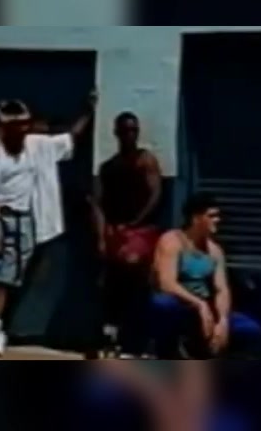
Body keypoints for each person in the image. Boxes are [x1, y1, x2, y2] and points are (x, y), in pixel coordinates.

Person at [0, 94, 94, 357]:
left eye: (24, 124)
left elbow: (70, 139)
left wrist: (88, 112)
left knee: (14, 280)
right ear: (5, 127)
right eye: (15, 125)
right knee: (1, 279)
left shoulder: (37, 146)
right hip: (1, 218)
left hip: (28, 221)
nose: (22, 130)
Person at [152, 193, 261, 359]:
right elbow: (166, 283)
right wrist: (199, 304)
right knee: (162, 304)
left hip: (206, 307)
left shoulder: (215, 251)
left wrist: (222, 320)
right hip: (181, 304)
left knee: (252, 330)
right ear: (196, 218)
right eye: (212, 216)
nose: (217, 220)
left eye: (218, 216)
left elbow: (222, 289)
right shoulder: (172, 241)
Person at [90, 112, 163, 356]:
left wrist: (135, 223)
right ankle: (111, 336)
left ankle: (139, 340)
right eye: (125, 130)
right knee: (112, 285)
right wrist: (102, 236)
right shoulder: (108, 167)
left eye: (134, 130)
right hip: (116, 231)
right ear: (117, 133)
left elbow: (155, 194)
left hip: (139, 232)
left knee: (139, 283)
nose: (130, 135)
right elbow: (98, 203)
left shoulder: (145, 160)